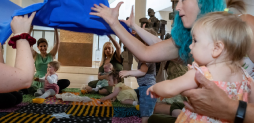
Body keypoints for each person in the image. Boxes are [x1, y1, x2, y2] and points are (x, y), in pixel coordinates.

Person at [89, 0, 250, 121]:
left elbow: (170, 86)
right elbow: (149, 50)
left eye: (183, 0)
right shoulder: (196, 39)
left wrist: (231, 108)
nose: (177, 7)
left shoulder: (246, 26)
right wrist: (117, 24)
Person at [146, 11, 253, 122]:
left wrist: (155, 88)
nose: (190, 45)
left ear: (216, 48)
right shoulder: (246, 77)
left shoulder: (201, 74)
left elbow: (170, 88)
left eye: (195, 41)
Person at [119, 28, 157, 123]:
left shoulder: (149, 56)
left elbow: (143, 71)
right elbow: (136, 54)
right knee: (126, 97)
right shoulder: (144, 56)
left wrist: (128, 72)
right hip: (144, 88)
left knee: (145, 116)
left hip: (147, 90)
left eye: (139, 43)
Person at [28, 28, 70, 94]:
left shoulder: (51, 54)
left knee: (66, 82)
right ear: (38, 47)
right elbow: (28, 43)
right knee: (28, 87)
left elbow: (58, 43)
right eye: (41, 46)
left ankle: (47, 89)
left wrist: (56, 30)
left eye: (45, 46)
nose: (43, 48)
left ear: (47, 46)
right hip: (38, 80)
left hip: (49, 79)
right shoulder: (35, 55)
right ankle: (44, 90)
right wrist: (30, 30)